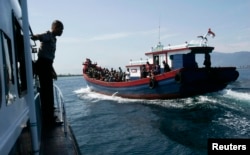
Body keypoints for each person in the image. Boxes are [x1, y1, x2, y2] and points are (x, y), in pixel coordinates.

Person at [31, 20, 64, 127]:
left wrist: (52, 71)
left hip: (47, 65)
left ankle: (49, 116)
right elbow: (40, 37)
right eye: (60, 29)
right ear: (54, 28)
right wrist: (34, 36)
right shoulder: (49, 36)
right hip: (43, 66)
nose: (62, 31)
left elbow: (49, 57)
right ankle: (48, 121)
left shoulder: (54, 39)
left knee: (48, 92)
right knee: (46, 93)